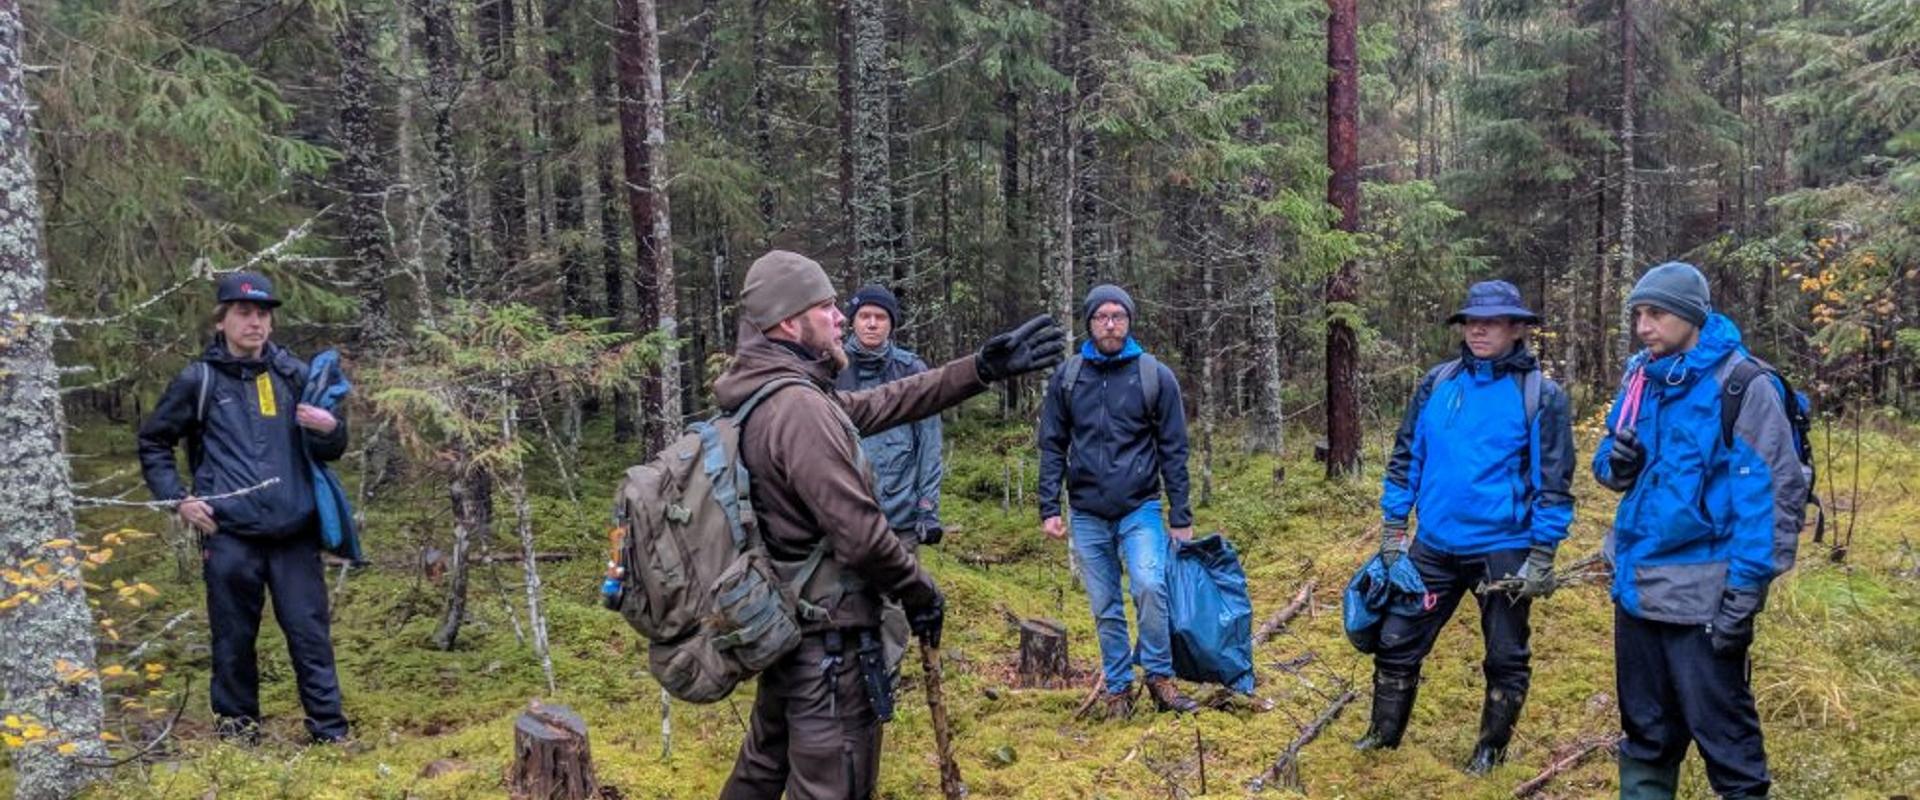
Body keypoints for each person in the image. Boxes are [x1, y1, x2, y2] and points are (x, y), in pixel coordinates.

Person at [716, 251, 1064, 799]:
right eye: (827, 306)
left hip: (790, 632)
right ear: (788, 322)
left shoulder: (771, 395)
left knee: (762, 771)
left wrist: (978, 369)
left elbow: (887, 400)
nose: (841, 317)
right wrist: (919, 589)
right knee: (833, 786)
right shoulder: (797, 409)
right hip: (827, 650)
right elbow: (861, 536)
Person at [1594, 262, 1807, 800]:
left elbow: (1772, 494)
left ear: (1691, 315)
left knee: (1726, 741)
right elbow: (1606, 466)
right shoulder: (1641, 376)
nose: (1643, 326)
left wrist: (1746, 590)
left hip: (1705, 598)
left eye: (1656, 313)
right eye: (1638, 313)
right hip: (1636, 588)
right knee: (1645, 735)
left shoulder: (1742, 384)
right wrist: (1616, 464)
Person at [1357, 279, 1575, 774]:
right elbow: (1406, 456)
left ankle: (1489, 753)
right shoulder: (1438, 383)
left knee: (1504, 656)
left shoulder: (1540, 395)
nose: (1478, 329)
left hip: (1504, 548)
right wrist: (1395, 531)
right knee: (1395, 641)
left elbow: (1554, 482)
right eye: (1472, 320)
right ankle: (1382, 738)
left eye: (1492, 321)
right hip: (1432, 545)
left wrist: (1543, 554)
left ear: (1517, 329)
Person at [136, 272, 351, 745]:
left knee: (310, 637)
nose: (255, 323)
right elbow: (154, 442)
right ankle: (238, 740)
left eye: (263, 314)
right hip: (229, 535)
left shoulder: (293, 374)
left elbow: (333, 446)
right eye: (244, 313)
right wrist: (179, 499)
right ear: (222, 320)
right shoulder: (200, 380)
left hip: (294, 532)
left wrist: (330, 427)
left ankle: (331, 735)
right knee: (233, 643)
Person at [1036, 283, 1198, 718]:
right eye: (1102, 317)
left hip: (1140, 507)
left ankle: (1160, 678)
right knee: (1105, 605)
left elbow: (1174, 449)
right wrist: (1049, 506)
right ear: (1089, 323)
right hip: (1087, 512)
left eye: (1118, 316)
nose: (1110, 324)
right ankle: (1118, 689)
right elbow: (1052, 444)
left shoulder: (1153, 375)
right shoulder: (1068, 378)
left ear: (1129, 321)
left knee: (1149, 586)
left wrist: (1180, 516)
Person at [835, 284, 945, 550]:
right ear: (853, 321)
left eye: (881, 317)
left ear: (892, 324)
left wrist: (927, 507)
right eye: (864, 316)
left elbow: (929, 445)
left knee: (903, 590)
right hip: (845, 519)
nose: (872, 324)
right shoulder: (832, 368)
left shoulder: (912, 370)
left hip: (901, 519)